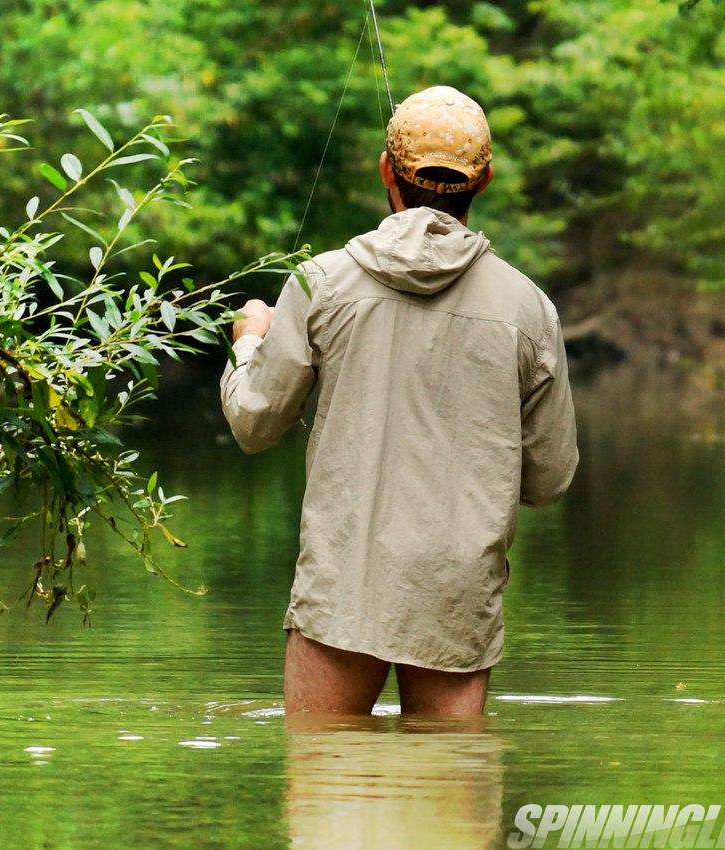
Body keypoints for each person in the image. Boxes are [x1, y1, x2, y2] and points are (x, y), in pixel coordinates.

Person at [220, 85, 578, 718]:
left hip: (343, 585)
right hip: (457, 592)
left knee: (324, 783)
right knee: (449, 801)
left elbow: (254, 424)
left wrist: (249, 343)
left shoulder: (320, 283)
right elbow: (548, 479)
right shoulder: (530, 308)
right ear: (484, 180)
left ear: (387, 170)